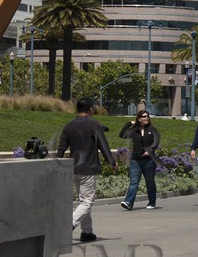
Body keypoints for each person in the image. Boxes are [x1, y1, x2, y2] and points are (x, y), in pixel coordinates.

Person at [56, 98, 116, 242]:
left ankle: (87, 232)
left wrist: (57, 162)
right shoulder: (94, 125)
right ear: (90, 109)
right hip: (88, 168)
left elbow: (61, 147)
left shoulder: (69, 125)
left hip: (73, 168)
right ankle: (68, 224)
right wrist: (112, 162)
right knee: (87, 201)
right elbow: (103, 145)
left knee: (82, 200)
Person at [118, 111, 161, 211]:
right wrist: (129, 124)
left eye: (147, 116)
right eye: (144, 116)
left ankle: (152, 202)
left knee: (149, 181)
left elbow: (156, 141)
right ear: (139, 118)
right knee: (134, 182)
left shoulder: (152, 130)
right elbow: (122, 135)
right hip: (135, 160)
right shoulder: (134, 130)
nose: (146, 118)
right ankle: (128, 202)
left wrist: (150, 150)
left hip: (149, 160)